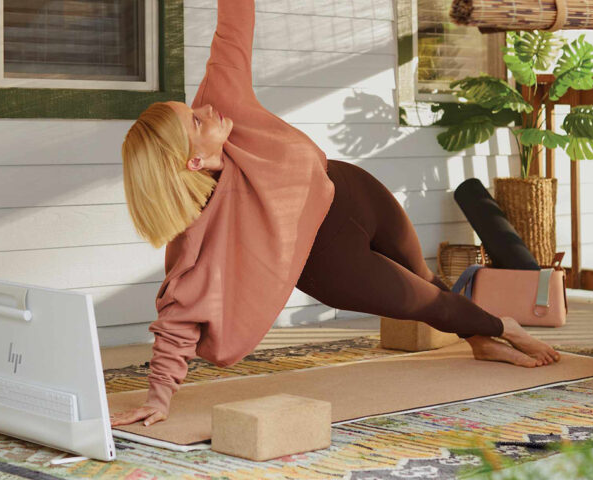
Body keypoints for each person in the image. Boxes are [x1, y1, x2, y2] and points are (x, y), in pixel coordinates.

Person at [113, 0, 560, 429]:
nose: (205, 109)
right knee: (426, 302)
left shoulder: (222, 102)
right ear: (193, 162)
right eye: (195, 122)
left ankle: (480, 341)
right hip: (327, 261)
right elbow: (177, 317)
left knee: (424, 277)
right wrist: (158, 397)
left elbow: (233, 27)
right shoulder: (199, 229)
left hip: (353, 190)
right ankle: (506, 327)